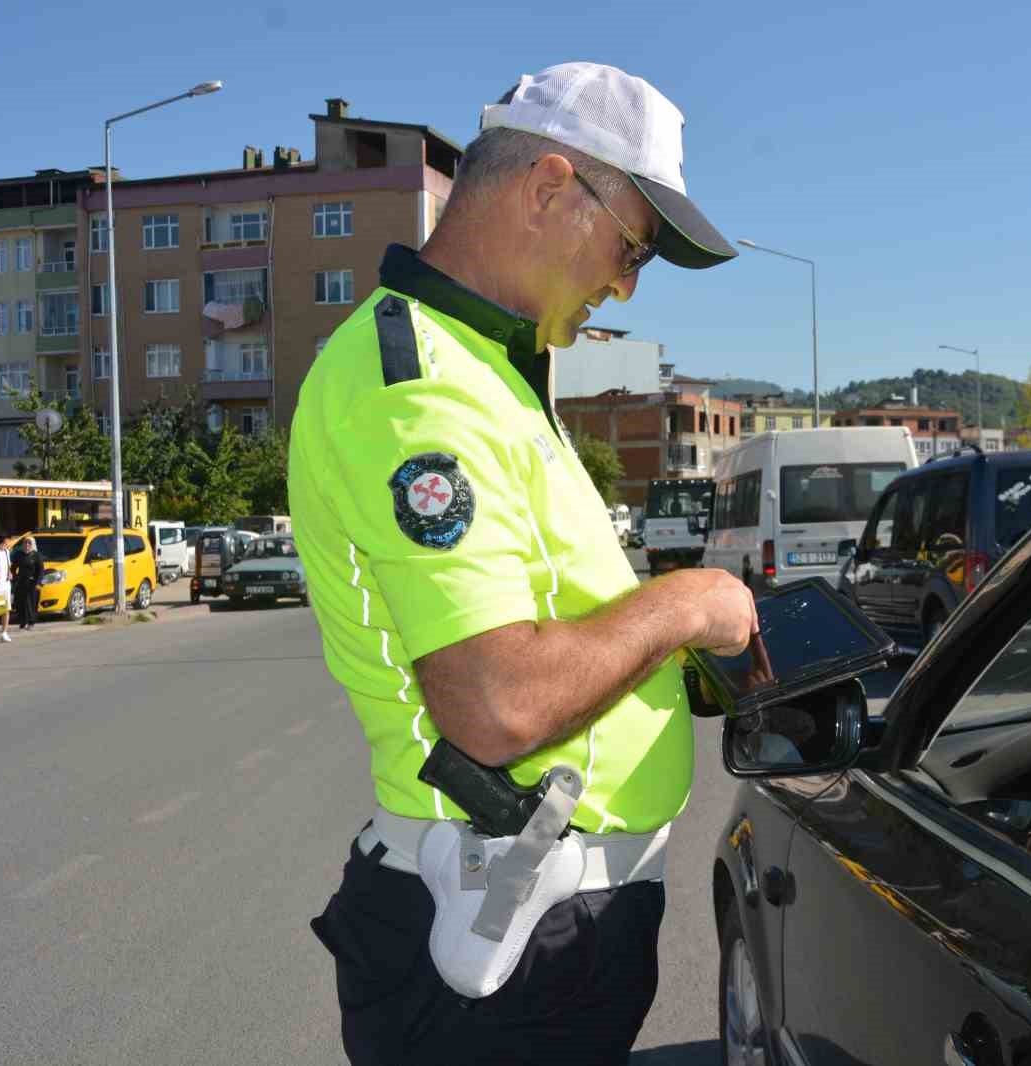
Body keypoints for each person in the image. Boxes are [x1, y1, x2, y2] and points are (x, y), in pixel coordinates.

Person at [290, 63, 756, 1066]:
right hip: (494, 949)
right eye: (631, 245)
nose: (625, 283)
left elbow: (555, 613)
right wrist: (678, 609)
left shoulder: (490, 372)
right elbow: (494, 701)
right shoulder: (417, 389)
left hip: (538, 929)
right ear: (548, 188)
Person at [11, 535, 42, 630]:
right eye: (25, 543)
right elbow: (13, 568)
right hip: (21, 582)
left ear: (32, 544)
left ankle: (31, 622)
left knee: (31, 603)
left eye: (29, 543)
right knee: (21, 603)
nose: (27, 545)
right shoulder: (19, 555)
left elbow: (40, 571)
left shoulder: (36, 555)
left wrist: (38, 583)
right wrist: (15, 578)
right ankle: (23, 622)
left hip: (32, 583)